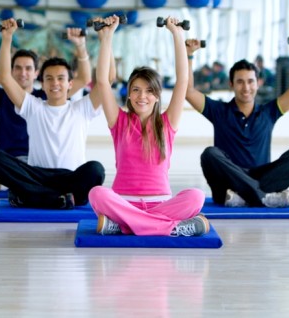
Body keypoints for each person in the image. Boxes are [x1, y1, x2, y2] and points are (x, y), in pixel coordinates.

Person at [88, 16, 209, 237]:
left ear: (156, 96)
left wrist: (177, 34)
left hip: (160, 203)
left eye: (148, 90)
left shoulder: (167, 123)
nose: (142, 96)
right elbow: (103, 82)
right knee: (97, 194)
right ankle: (170, 228)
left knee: (196, 197)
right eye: (135, 89)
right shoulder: (119, 121)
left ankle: (125, 227)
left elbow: (182, 81)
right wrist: (107, 37)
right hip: (124, 202)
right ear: (129, 94)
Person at [0, 18, 105, 209]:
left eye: (60, 78)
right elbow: (4, 77)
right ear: (42, 84)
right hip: (38, 175)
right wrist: (6, 38)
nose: (55, 83)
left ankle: (35, 197)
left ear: (70, 84)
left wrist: (103, 39)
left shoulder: (82, 108)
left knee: (95, 170)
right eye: (49, 78)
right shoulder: (33, 106)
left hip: (71, 176)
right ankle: (55, 198)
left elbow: (105, 81)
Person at [186, 37, 289, 208]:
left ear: (258, 83)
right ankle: (261, 197)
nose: (246, 87)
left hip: (261, 179)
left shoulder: (269, 112)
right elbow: (188, 91)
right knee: (210, 154)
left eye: (250, 81)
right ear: (231, 84)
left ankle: (247, 197)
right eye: (240, 82)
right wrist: (189, 55)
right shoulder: (219, 111)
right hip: (227, 184)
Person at [0, 25, 91, 192]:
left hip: (33, 164)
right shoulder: (2, 96)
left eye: (28, 68)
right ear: (11, 71)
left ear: (36, 73)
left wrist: (80, 46)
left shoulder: (48, 96)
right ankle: (9, 183)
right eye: (17, 68)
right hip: (5, 161)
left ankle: (2, 184)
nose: (22, 72)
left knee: (30, 168)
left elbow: (83, 79)